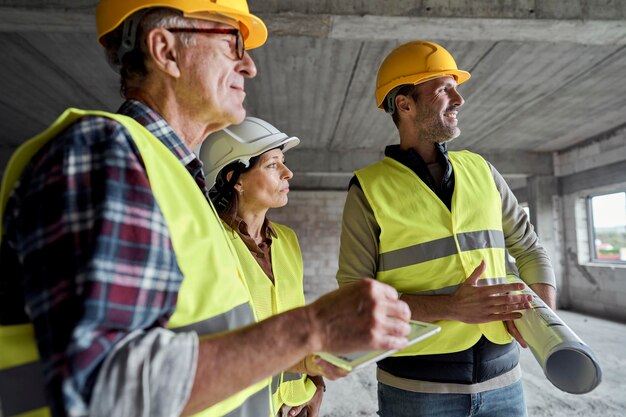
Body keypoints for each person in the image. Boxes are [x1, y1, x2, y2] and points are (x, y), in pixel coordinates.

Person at [0, 2, 412, 417]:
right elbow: (102, 392)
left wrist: (297, 357)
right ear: (165, 51)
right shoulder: (106, 153)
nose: (249, 66)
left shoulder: (175, 184)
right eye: (233, 42)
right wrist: (310, 328)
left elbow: (196, 341)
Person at [337, 40, 557, 417]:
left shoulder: (482, 171)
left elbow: (529, 247)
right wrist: (451, 308)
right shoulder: (368, 188)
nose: (459, 99)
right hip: (416, 389)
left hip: (503, 380)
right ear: (405, 105)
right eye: (443, 89)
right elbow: (357, 297)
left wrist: (544, 323)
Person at [201, 117, 341, 417]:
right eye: (273, 164)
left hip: (295, 405)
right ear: (234, 178)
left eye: (284, 162)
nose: (288, 173)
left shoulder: (287, 240)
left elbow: (299, 319)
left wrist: (316, 385)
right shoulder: (206, 242)